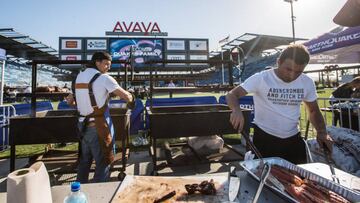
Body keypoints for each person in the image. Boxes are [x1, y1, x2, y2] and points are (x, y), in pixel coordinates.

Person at [226, 44, 333, 164]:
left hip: (293, 138)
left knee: (299, 178)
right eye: (288, 69)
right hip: (264, 137)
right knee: (263, 176)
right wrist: (236, 110)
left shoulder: (306, 82)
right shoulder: (261, 78)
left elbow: (313, 110)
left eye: (298, 71)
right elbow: (232, 94)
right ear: (278, 62)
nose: (292, 75)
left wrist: (322, 132)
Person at [70, 51, 134, 183]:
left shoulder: (79, 76)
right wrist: (132, 96)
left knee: (84, 162)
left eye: (109, 65)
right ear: (97, 62)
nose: (108, 67)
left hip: (82, 126)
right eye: (106, 64)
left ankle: (78, 192)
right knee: (103, 162)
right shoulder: (104, 78)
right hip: (97, 127)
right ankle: (98, 192)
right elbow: (126, 96)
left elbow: (74, 100)